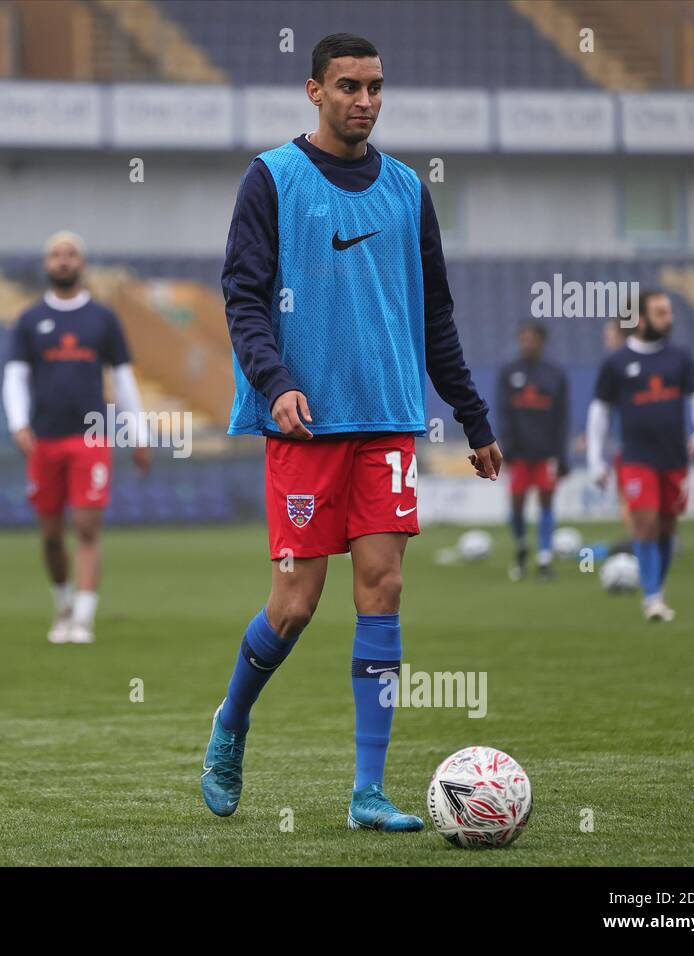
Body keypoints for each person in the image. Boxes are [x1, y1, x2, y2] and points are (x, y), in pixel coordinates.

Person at [201, 34, 502, 831]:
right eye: (348, 86)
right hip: (304, 425)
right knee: (295, 604)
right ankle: (232, 721)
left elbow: (435, 313)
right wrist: (278, 382)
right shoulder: (271, 179)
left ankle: (369, 792)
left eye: (374, 86)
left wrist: (473, 417)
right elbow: (243, 296)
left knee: (385, 588)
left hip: (389, 422)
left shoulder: (406, 189)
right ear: (314, 90)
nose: (364, 99)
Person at [1, 231, 151, 645]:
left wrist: (138, 434)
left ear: (81, 263)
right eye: (56, 254)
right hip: (44, 439)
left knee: (86, 525)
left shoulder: (102, 319)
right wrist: (18, 423)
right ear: (47, 264)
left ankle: (83, 618)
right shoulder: (29, 321)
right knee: (51, 535)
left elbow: (123, 380)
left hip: (91, 437)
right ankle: (63, 603)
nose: (63, 260)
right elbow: (14, 376)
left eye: (70, 254)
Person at [587, 291, 694, 622]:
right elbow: (599, 411)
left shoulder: (680, 359)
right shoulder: (616, 363)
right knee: (644, 522)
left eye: (668, 312)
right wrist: (595, 460)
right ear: (640, 319)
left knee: (667, 528)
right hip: (636, 457)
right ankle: (653, 598)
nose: (668, 318)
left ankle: (656, 586)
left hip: (674, 458)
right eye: (660, 312)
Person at [496, 322, 568, 580]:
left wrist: (561, 454)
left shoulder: (555, 375)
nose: (527, 343)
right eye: (523, 339)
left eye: (531, 339)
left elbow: (562, 418)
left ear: (542, 341)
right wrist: (507, 446)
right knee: (517, 505)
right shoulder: (509, 373)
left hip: (546, 453)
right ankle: (521, 546)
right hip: (518, 454)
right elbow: (503, 414)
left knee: (546, 502)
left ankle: (545, 558)